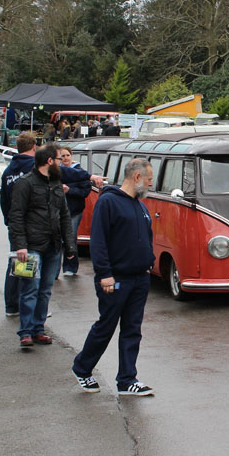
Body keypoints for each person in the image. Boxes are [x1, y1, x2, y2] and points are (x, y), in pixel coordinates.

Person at [71, 158, 156, 397]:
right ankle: (82, 368)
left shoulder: (139, 205)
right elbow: (98, 242)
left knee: (132, 329)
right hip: (115, 279)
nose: (151, 183)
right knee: (106, 326)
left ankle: (127, 380)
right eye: (149, 179)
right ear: (137, 177)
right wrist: (105, 275)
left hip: (139, 278)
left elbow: (146, 237)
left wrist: (148, 263)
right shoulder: (108, 202)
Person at [8, 144, 78, 347]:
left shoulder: (56, 182)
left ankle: (39, 328)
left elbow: (64, 215)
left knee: (46, 289)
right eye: (58, 159)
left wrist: (70, 246)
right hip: (29, 247)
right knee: (29, 288)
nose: (62, 163)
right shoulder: (25, 183)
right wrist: (19, 245)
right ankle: (26, 331)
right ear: (49, 161)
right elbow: (16, 216)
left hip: (53, 245)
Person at [0, 132, 37, 318]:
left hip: (14, 223)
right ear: (34, 147)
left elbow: (3, 199)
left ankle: (11, 305)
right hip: (31, 224)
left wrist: (9, 220)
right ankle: (26, 306)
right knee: (28, 265)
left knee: (15, 263)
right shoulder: (35, 168)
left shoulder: (9, 170)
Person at [57, 145, 103, 275]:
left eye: (67, 155)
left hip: (74, 211)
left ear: (72, 156)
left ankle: (70, 267)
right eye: (62, 156)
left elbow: (85, 191)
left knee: (70, 239)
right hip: (58, 211)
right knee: (57, 239)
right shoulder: (56, 172)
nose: (65, 158)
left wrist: (69, 190)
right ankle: (54, 271)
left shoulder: (80, 172)